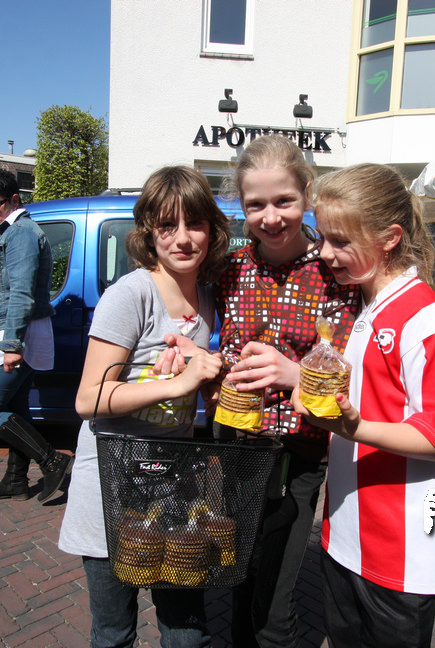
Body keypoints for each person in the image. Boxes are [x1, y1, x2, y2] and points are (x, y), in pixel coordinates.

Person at [159, 135, 360, 648]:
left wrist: (295, 374)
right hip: (236, 443)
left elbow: (358, 370)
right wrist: (200, 364)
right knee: (241, 572)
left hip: (301, 450)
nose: (270, 217)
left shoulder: (335, 271)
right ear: (241, 206)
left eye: (284, 201)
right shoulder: (228, 269)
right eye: (256, 205)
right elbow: (182, 300)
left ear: (307, 194)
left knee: (273, 600)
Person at [292, 163, 435, 648]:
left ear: (390, 238)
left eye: (339, 240)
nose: (323, 252)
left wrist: (351, 428)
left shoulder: (428, 322)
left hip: (402, 548)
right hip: (346, 534)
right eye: (321, 237)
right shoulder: (366, 307)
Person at [58, 166, 230, 648]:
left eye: (195, 224)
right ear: (148, 232)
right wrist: (178, 384)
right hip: (112, 487)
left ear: (212, 230)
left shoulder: (207, 298)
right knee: (114, 632)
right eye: (167, 226)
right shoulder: (130, 295)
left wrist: (212, 386)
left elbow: (197, 386)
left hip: (174, 486)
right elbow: (89, 398)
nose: (182, 238)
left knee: (187, 631)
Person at [0, 169, 71, 503]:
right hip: (13, 331)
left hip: (15, 333)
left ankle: (53, 461)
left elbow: (21, 294)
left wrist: (12, 345)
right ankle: (15, 480)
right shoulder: (8, 232)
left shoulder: (21, 234)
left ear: (14, 199)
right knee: (16, 407)